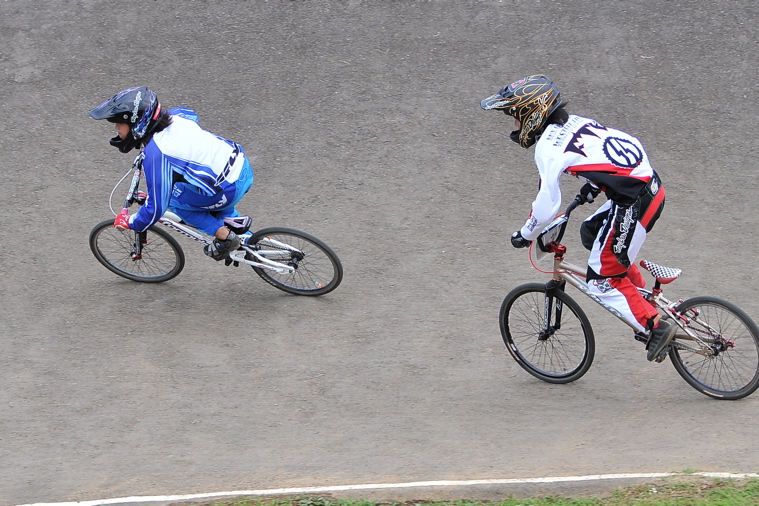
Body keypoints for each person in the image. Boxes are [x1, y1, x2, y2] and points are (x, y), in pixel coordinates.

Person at [481, 75, 675, 362]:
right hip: (649, 187)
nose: (514, 125)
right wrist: (594, 186)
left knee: (601, 282)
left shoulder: (548, 148)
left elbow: (547, 205)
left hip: (632, 203)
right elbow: (620, 149)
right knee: (590, 231)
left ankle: (655, 327)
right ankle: (638, 291)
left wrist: (526, 234)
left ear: (531, 113)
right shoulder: (577, 122)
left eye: (515, 117)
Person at [88, 86, 254, 262]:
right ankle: (247, 238)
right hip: (241, 166)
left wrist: (130, 222)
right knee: (192, 184)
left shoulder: (157, 155)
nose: (116, 128)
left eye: (119, 123)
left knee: (172, 201)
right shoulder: (177, 115)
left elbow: (155, 208)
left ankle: (225, 237)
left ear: (137, 124)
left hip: (228, 189)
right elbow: (192, 115)